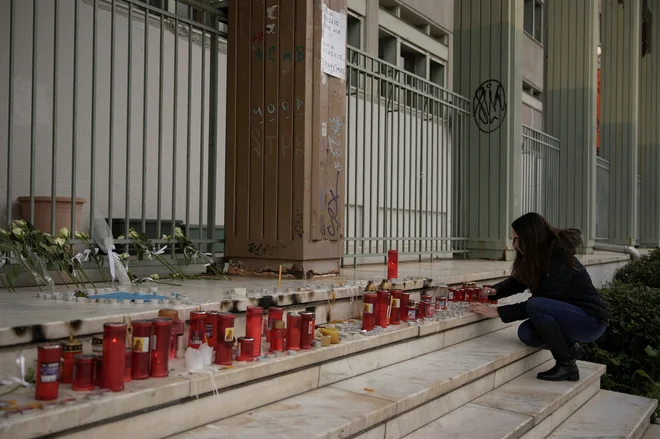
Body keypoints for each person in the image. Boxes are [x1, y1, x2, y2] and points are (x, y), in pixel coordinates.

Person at [469, 212, 608, 382]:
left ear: (531, 237)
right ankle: (571, 349)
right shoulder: (540, 256)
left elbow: (538, 304)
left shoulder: (559, 259)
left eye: (517, 239)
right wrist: (495, 291)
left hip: (590, 321)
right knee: (527, 333)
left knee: (536, 305)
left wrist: (498, 312)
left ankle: (566, 366)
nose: (514, 245)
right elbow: (519, 281)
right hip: (569, 316)